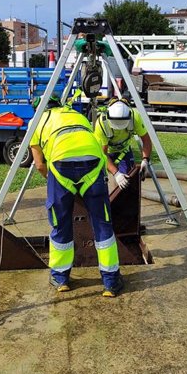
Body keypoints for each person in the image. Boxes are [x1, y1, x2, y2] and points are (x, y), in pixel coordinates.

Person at [29, 95, 124, 297]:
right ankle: (111, 282)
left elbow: (39, 164)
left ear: (38, 108)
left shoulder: (37, 120)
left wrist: (56, 181)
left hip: (61, 165)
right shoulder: (75, 115)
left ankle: (60, 278)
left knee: (60, 222)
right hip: (93, 163)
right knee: (102, 222)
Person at [93, 97, 152, 190]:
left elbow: (146, 140)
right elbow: (103, 154)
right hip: (106, 153)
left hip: (124, 151)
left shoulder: (135, 117)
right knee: (99, 184)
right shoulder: (101, 124)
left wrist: (145, 160)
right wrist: (116, 173)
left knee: (128, 182)